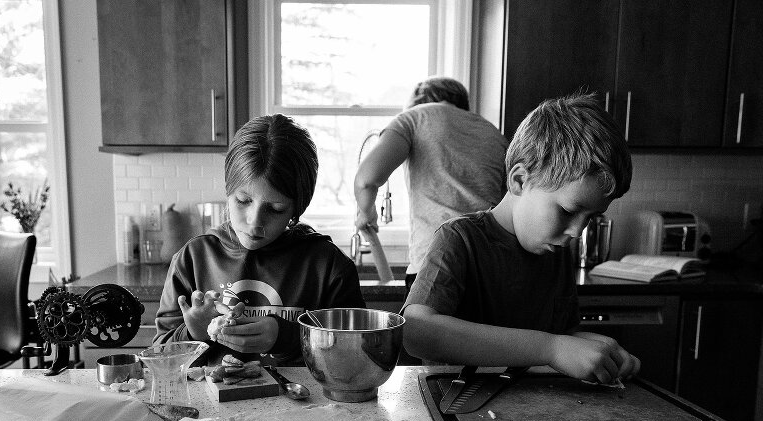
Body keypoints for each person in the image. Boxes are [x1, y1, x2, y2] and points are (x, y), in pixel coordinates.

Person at [402, 93, 640, 384]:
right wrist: (550, 349)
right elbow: (417, 332)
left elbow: (562, 336)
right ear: (519, 181)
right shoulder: (459, 238)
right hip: (456, 408)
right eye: (567, 211)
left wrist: (601, 352)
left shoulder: (556, 251)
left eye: (590, 218)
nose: (577, 232)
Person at [154, 114, 365, 366]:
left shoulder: (328, 266)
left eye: (275, 209)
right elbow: (159, 358)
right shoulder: (194, 258)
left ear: (296, 209)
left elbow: (355, 356)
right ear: (228, 191)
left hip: (307, 405)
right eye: (243, 201)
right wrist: (193, 334)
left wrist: (287, 337)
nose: (254, 222)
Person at [354, 76, 509, 293]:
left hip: (436, 263)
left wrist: (367, 212)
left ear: (417, 102)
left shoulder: (414, 118)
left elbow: (366, 180)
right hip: (492, 267)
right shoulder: (495, 135)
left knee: (428, 327)